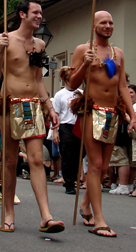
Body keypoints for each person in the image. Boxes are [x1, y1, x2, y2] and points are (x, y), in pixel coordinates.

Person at [0, 0, 63, 234]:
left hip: (33, 107)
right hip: (10, 105)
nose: (40, 16)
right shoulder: (5, 40)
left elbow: (39, 80)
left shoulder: (40, 44)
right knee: (10, 161)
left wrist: (50, 108)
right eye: (35, 12)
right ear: (22, 14)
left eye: (41, 12)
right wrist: (0, 52)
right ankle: (8, 213)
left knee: (37, 160)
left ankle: (46, 216)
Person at [68, 10, 136, 237]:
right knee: (96, 165)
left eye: (111, 22)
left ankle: (85, 204)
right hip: (91, 110)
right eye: (103, 22)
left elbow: (122, 87)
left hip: (112, 113)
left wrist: (132, 115)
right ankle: (99, 220)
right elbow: (71, 84)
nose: (108, 26)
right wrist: (83, 66)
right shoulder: (83, 50)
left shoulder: (117, 53)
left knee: (105, 167)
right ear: (94, 26)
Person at [52, 66, 81, 195]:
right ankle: (69, 183)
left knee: (78, 154)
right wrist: (54, 132)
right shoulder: (60, 95)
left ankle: (74, 177)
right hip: (66, 126)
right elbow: (56, 114)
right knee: (67, 154)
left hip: (79, 125)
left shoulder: (81, 92)